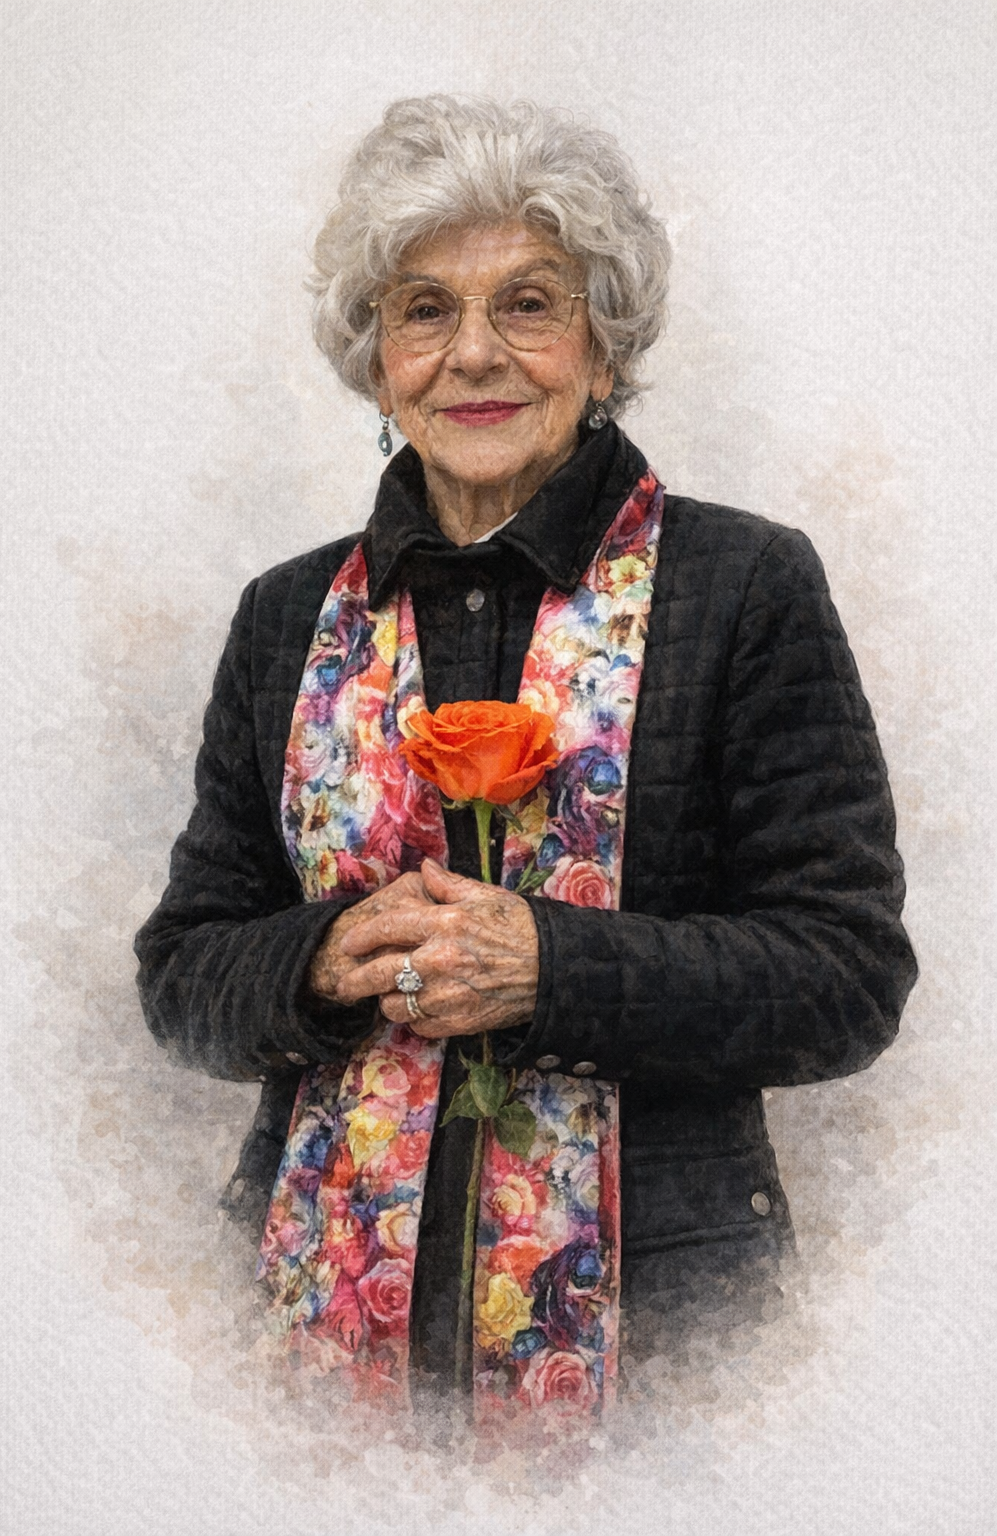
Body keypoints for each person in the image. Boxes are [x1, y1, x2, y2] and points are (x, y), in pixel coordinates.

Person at [134, 95, 917, 1408]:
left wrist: (551, 969)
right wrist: (315, 961)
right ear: (377, 361)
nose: (474, 353)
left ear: (604, 349)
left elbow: (847, 976)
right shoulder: (285, 617)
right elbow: (181, 974)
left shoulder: (744, 586)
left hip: (666, 1358)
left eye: (530, 304)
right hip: (303, 1350)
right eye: (425, 310)